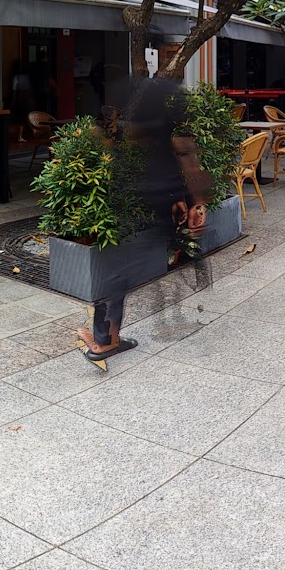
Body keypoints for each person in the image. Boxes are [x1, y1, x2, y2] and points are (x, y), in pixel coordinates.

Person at [86, 71, 204, 362]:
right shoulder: (172, 112)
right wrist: (196, 202)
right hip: (156, 200)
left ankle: (106, 338)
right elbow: (187, 158)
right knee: (126, 271)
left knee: (118, 269)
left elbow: (114, 147)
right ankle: (106, 339)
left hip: (127, 197)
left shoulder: (131, 120)